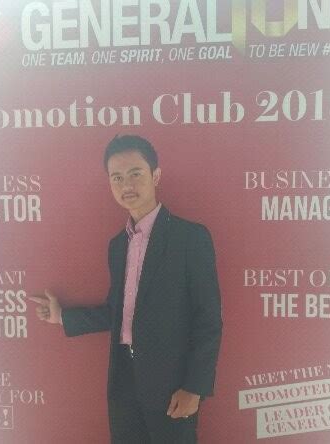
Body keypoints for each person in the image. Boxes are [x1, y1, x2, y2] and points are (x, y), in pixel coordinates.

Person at [30, 134, 222, 443]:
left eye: (135, 173)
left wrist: (194, 388)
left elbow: (208, 319)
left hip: (173, 387)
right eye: (117, 177)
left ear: (155, 176)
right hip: (124, 382)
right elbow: (118, 311)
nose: (126, 185)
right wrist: (61, 317)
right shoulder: (118, 245)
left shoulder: (190, 238)